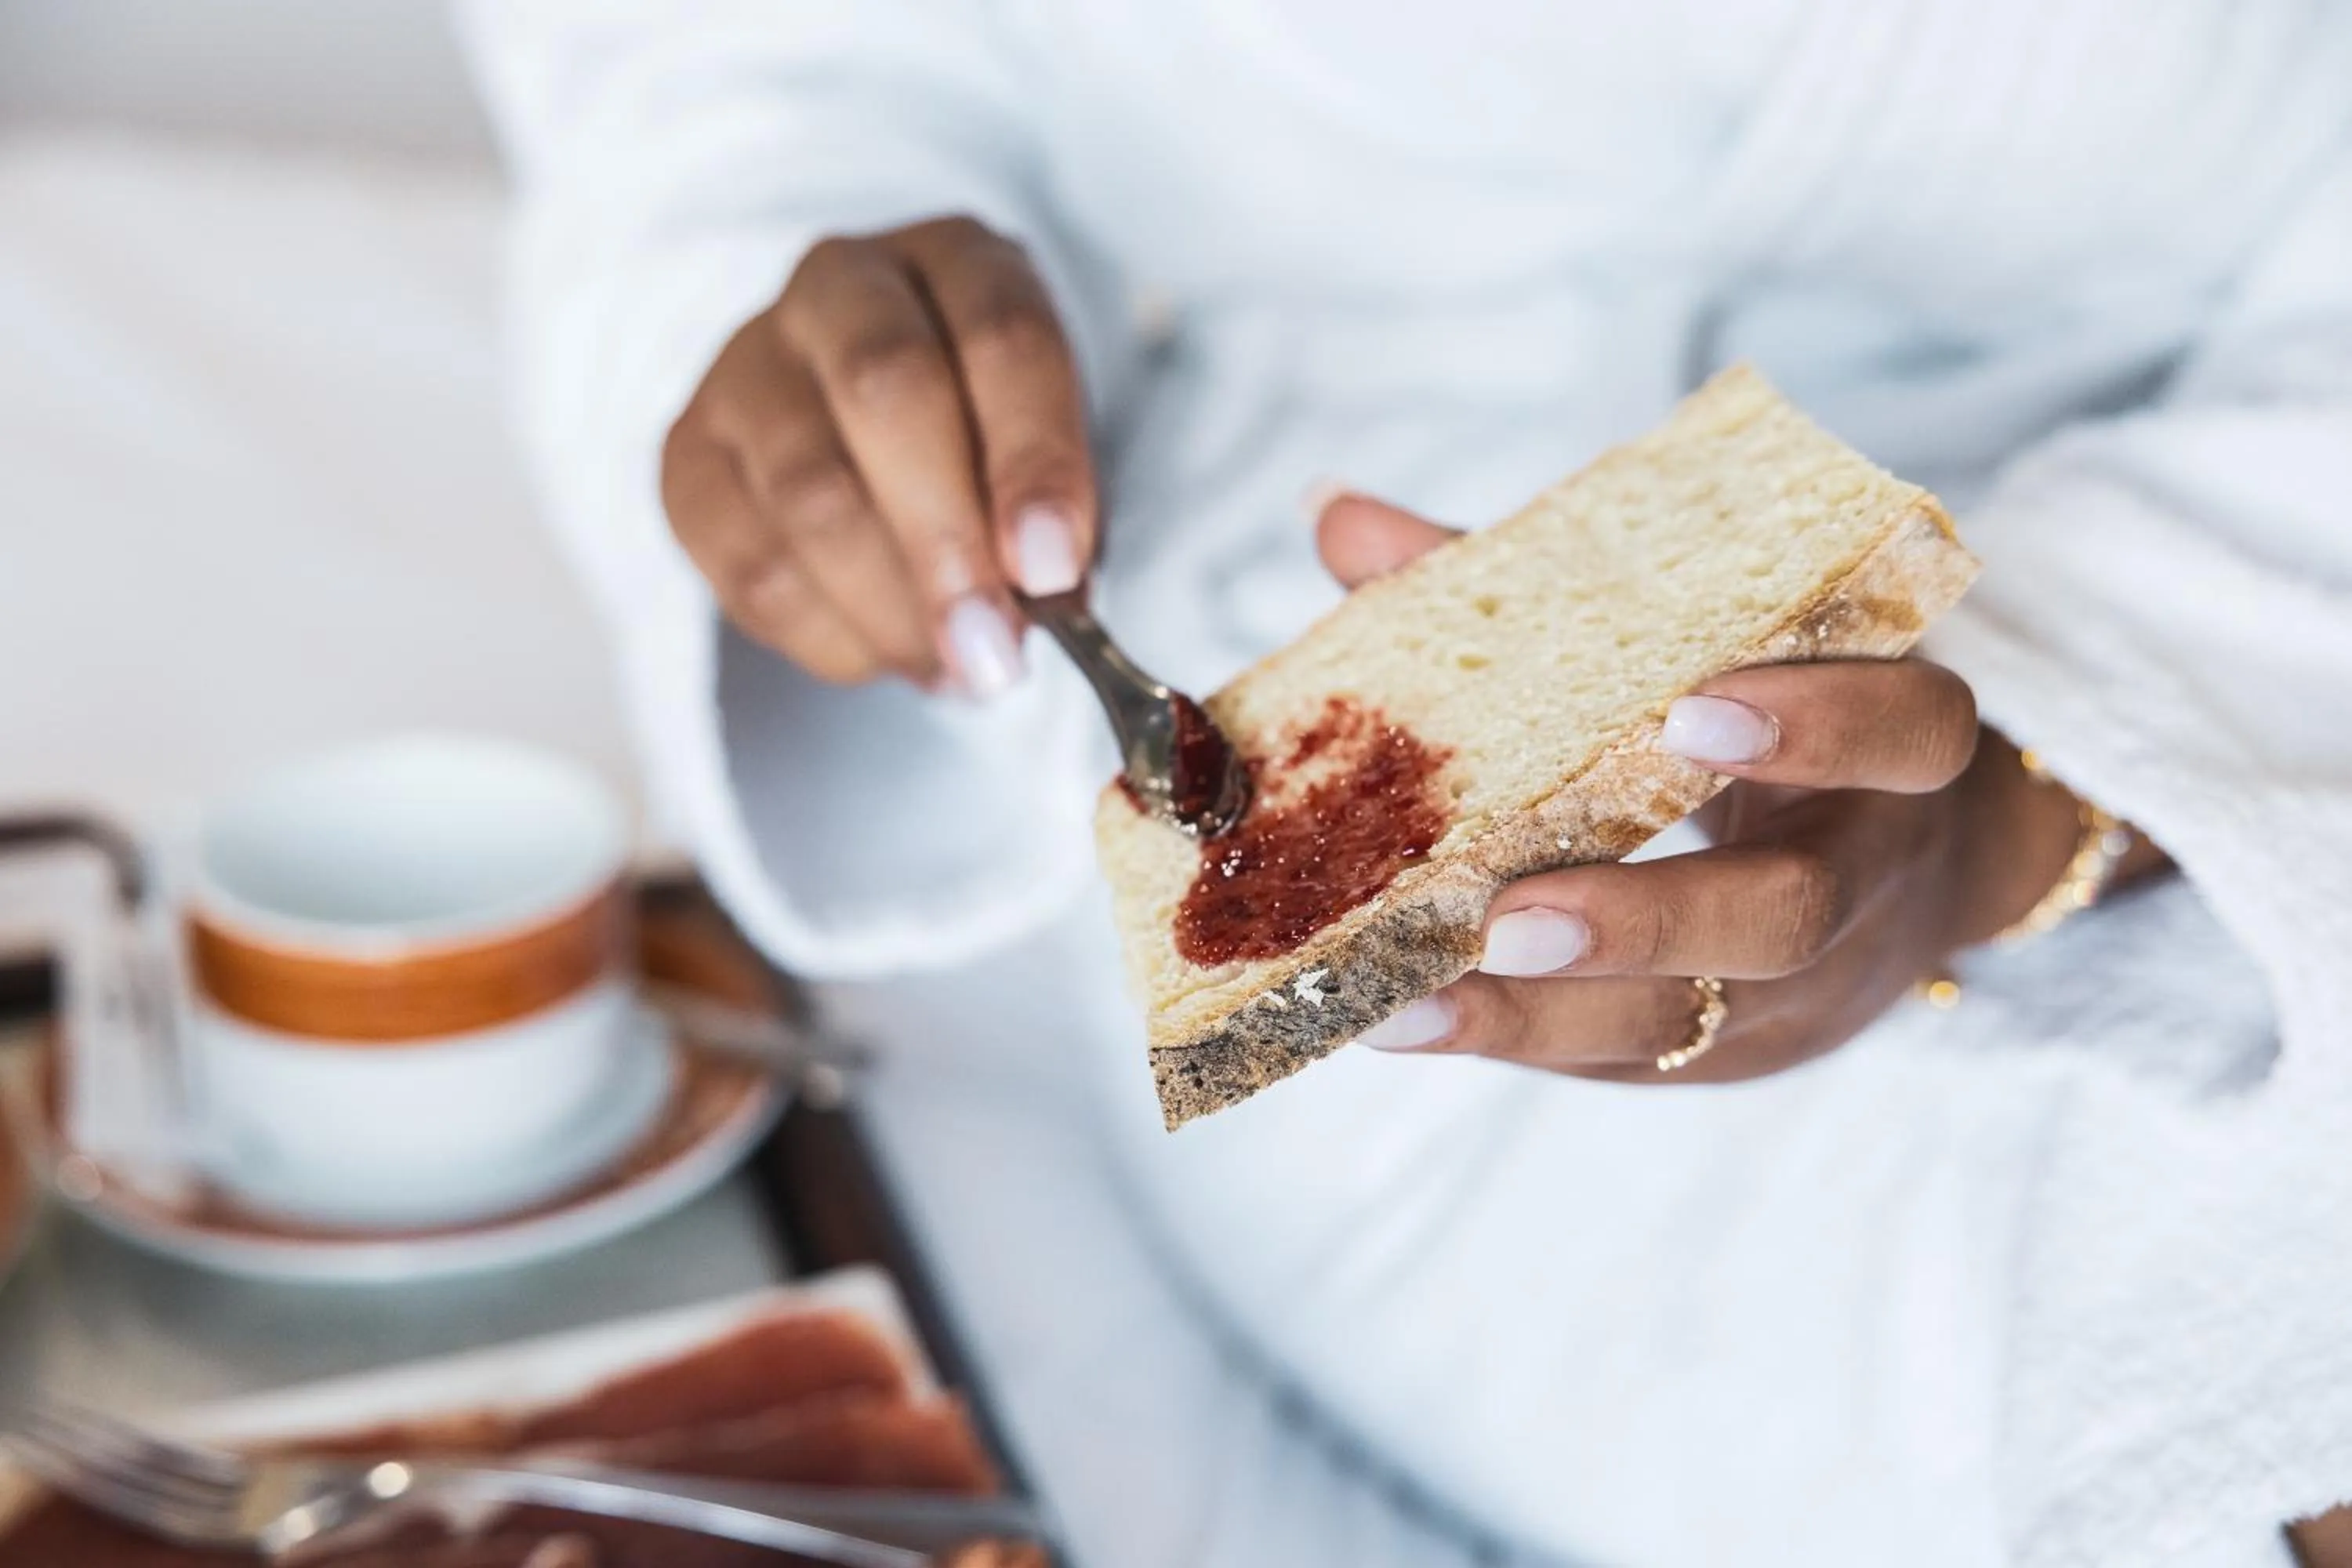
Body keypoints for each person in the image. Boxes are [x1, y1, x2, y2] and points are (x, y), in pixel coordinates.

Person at [459, 4, 2352, 1563]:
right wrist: (836, 384)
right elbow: (736, 87)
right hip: (1334, 663)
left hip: (2276, 579)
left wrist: (2049, 765)